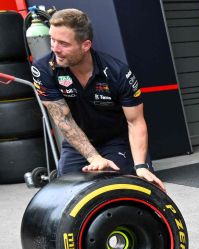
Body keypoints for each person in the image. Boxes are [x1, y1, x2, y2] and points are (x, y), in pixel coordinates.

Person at [30, 8, 165, 190]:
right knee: (65, 191)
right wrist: (93, 157)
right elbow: (63, 119)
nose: (55, 48)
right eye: (52, 40)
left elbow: (135, 121)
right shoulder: (44, 69)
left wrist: (140, 166)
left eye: (63, 43)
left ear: (85, 45)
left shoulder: (118, 73)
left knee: (121, 186)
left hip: (117, 139)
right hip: (77, 139)